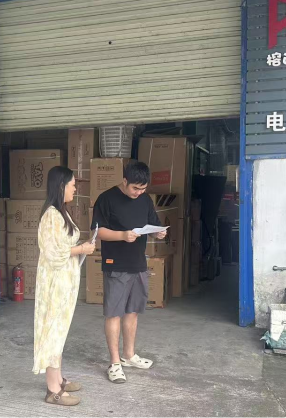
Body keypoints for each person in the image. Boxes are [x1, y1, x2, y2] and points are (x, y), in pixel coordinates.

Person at [91, 160, 167, 384]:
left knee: (133, 311)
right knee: (114, 313)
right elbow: (97, 232)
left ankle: (129, 355)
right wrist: (122, 235)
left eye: (143, 188)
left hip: (138, 263)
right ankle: (115, 363)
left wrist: (158, 233)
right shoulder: (106, 199)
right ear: (124, 181)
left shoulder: (145, 199)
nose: (139, 192)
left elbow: (153, 224)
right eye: (135, 188)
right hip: (116, 263)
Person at [33, 166, 97, 406]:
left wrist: (82, 247)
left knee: (59, 332)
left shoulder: (61, 213)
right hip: (54, 285)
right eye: (72, 185)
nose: (75, 189)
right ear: (61, 186)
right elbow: (52, 252)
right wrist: (81, 249)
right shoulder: (51, 215)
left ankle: (58, 379)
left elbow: (63, 246)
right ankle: (53, 390)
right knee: (53, 332)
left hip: (64, 283)